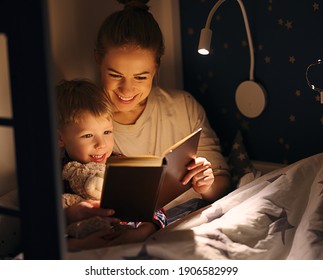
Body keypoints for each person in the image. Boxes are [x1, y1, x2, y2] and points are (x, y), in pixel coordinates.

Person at [94, 0, 231, 215]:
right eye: (115, 75)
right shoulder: (86, 121)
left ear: (156, 67)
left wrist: (206, 184)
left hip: (189, 218)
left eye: (140, 77)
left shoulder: (183, 107)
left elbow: (222, 184)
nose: (127, 89)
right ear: (98, 61)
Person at [56, 79, 167, 249]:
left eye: (107, 132)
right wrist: (78, 244)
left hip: (130, 239)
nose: (101, 144)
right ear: (60, 138)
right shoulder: (56, 175)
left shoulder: (121, 165)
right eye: (87, 136)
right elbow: (40, 227)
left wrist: (143, 231)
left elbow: (155, 207)